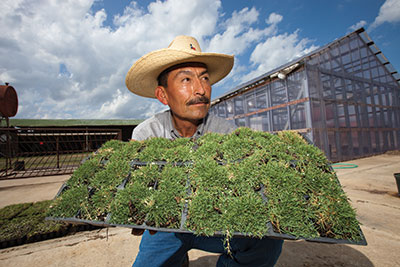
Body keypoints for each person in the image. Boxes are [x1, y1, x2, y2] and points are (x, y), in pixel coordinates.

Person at [125, 35, 283, 267]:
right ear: (163, 95)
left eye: (205, 78)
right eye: (186, 79)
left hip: (215, 221)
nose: (201, 90)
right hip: (166, 227)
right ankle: (178, 256)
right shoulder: (146, 134)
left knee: (266, 241)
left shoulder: (227, 133)